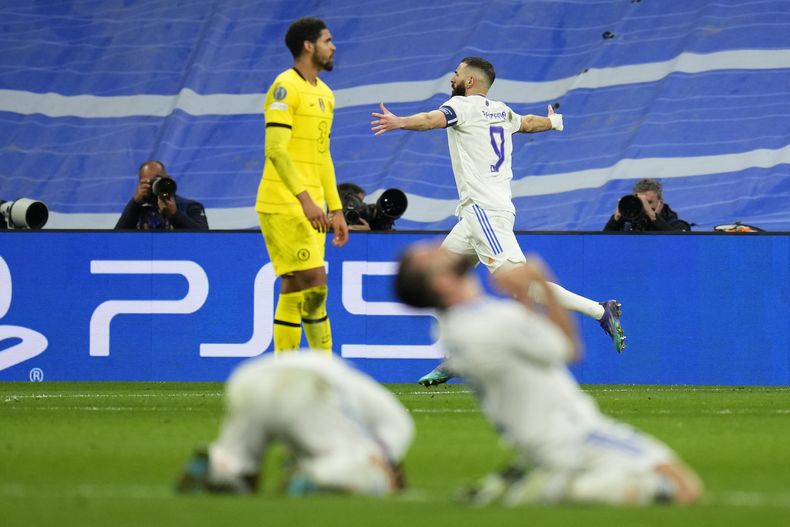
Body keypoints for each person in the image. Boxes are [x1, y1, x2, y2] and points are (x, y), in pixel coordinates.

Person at [370, 56, 625, 385]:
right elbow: (529, 123)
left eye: (458, 73)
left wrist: (399, 121)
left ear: (470, 81)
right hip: (481, 213)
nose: (452, 77)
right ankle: (456, 356)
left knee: (522, 285)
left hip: (483, 212)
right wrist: (555, 122)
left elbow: (432, 120)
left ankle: (601, 310)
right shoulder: (501, 111)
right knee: (437, 278)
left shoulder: (460, 107)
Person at [394, 243, 703, 506]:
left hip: (536, 440)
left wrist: (524, 297)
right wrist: (541, 281)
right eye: (429, 254)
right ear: (442, 283)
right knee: (684, 486)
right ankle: (558, 487)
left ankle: (535, 481)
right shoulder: (488, 321)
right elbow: (568, 349)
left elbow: (527, 344)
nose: (437, 244)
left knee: (644, 481)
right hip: (574, 433)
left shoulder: (456, 326)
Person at [176, 351, 414, 496]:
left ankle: (218, 467)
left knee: (239, 465)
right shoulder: (399, 428)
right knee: (343, 465)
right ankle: (316, 477)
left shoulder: (357, 407)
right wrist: (379, 480)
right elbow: (375, 463)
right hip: (308, 386)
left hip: (249, 377)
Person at [257, 17, 349, 355]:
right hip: (283, 203)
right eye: (327, 40)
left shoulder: (325, 94)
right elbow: (276, 151)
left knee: (295, 284)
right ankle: (325, 368)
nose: (333, 46)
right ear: (308, 46)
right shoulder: (284, 87)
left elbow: (323, 156)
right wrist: (307, 200)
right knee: (315, 283)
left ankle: (286, 369)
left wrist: (336, 207)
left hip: (313, 206)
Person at [114, 160, 208, 230]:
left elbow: (204, 238)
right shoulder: (136, 209)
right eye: (148, 182)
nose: (153, 185)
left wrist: (175, 214)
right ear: (140, 184)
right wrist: (134, 203)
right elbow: (116, 238)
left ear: (168, 179)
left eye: (157, 180)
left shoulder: (190, 207)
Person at [604, 178, 690, 232]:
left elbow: (680, 245)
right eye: (641, 202)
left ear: (661, 203)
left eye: (649, 202)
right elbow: (601, 247)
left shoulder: (677, 225)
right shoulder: (627, 224)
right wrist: (616, 219)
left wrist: (653, 217)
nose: (644, 207)